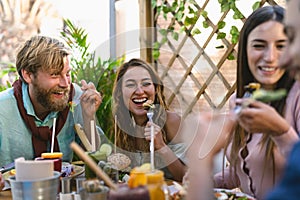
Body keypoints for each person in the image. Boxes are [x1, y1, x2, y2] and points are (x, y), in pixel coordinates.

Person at [213, 5, 300, 200]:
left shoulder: (297, 98)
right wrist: (211, 182)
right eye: (259, 45)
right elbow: (244, 170)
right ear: (244, 50)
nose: (270, 57)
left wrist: (281, 132)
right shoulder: (239, 99)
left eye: (281, 45)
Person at [0, 35, 103, 190]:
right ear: (28, 75)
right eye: (54, 74)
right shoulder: (3, 108)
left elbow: (96, 155)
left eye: (67, 74)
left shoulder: (77, 98)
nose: (65, 84)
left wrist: (89, 117)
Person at [112, 58, 187, 181]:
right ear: (120, 92)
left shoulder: (172, 121)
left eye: (146, 84)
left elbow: (187, 177)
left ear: (155, 88)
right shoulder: (122, 124)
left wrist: (162, 146)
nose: (140, 91)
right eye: (131, 85)